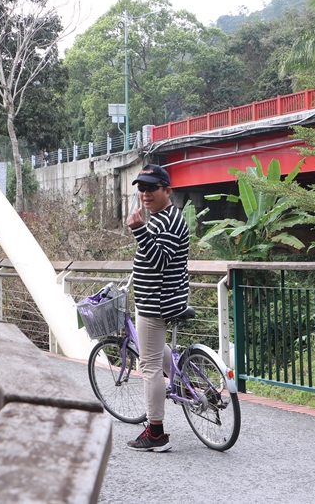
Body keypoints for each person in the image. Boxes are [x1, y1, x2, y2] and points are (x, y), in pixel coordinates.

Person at [125, 163, 189, 452]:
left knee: (149, 366)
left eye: (152, 188)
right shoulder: (163, 217)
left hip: (157, 303)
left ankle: (156, 433)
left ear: (167, 190)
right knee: (154, 350)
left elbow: (160, 260)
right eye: (142, 188)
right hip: (156, 297)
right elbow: (152, 257)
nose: (145, 194)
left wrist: (138, 230)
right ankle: (186, 382)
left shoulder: (167, 220)